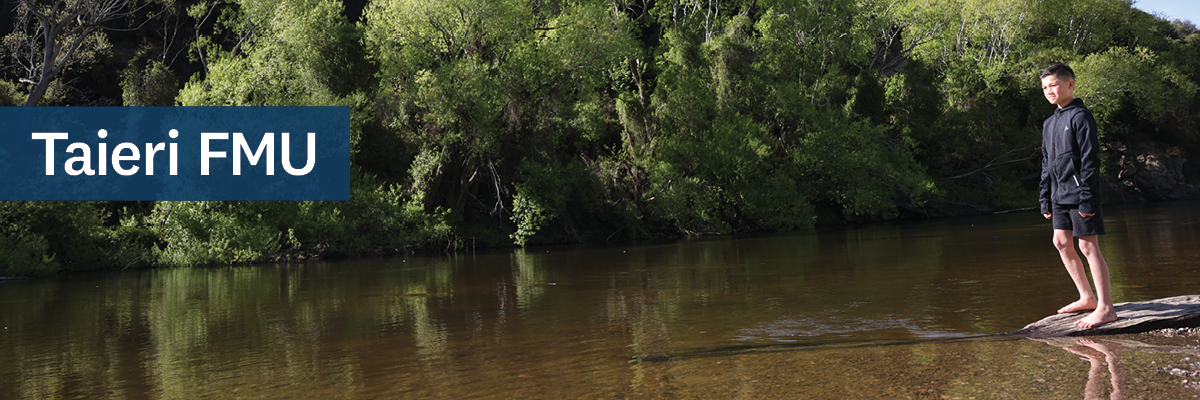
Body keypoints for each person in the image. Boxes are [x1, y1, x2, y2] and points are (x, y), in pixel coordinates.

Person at [1039, 63, 1117, 329]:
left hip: (1081, 192)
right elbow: (1046, 162)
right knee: (1061, 241)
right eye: (1045, 87)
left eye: (1054, 85)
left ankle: (1106, 308)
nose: (1049, 91)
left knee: (1087, 245)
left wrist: (1087, 197)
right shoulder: (1050, 122)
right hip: (1058, 195)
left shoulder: (1081, 116)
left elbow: (1090, 161)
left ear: (1070, 85)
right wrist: (1045, 197)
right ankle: (1087, 297)